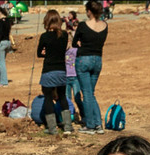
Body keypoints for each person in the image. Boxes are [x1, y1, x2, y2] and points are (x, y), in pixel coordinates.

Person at [73, 0, 108, 134]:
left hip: (84, 60)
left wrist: (81, 44)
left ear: (89, 11)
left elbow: (75, 42)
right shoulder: (105, 25)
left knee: (86, 94)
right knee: (91, 93)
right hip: (98, 60)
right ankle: (98, 124)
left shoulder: (83, 25)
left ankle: (90, 125)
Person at [37, 9, 72, 135]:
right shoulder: (64, 35)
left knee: (48, 98)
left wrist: (47, 54)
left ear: (47, 21)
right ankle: (68, 126)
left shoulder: (45, 36)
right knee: (62, 97)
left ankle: (52, 128)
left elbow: (39, 53)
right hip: (61, 70)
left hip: (48, 70)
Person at [64, 34, 84, 126]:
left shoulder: (76, 51)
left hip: (75, 77)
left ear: (69, 41)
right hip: (66, 77)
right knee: (67, 99)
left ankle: (84, 116)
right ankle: (70, 117)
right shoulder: (63, 52)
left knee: (77, 98)